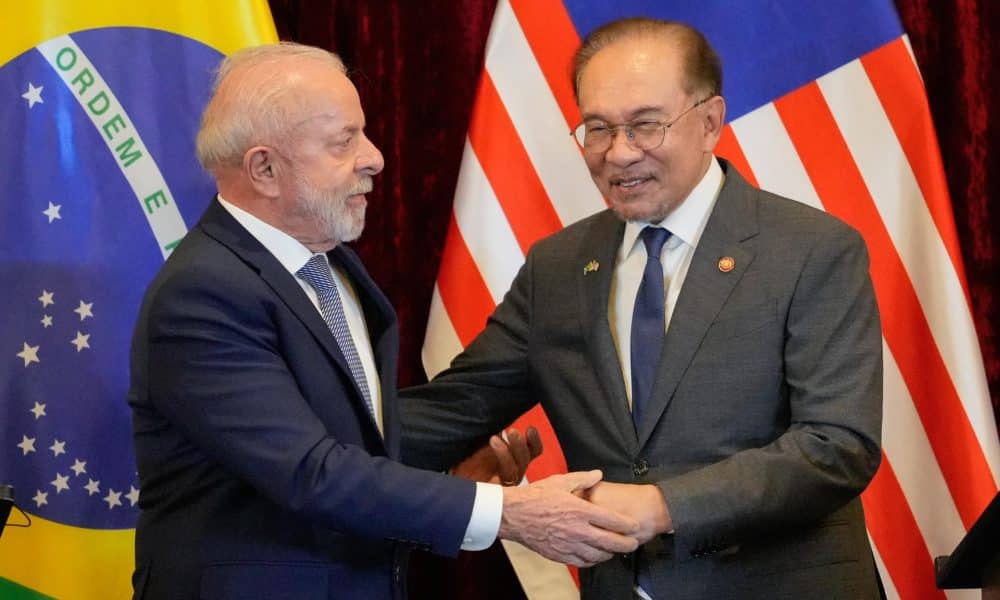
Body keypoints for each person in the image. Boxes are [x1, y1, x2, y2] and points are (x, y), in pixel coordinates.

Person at [126, 42, 640, 600]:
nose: (375, 157)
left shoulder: (329, 263)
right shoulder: (203, 294)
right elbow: (311, 472)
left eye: (364, 133)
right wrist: (509, 512)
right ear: (265, 169)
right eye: (344, 140)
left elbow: (352, 439)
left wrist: (440, 470)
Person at [400, 17, 883, 600]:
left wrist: (660, 506)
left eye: (646, 126)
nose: (619, 153)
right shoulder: (557, 267)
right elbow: (448, 413)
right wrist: (296, 440)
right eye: (598, 128)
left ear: (710, 123)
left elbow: (837, 446)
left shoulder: (811, 249)